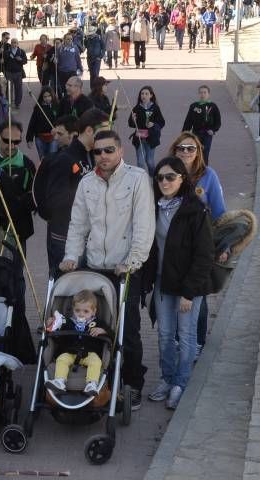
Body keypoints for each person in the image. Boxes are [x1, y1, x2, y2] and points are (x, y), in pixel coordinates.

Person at [60, 130, 155, 409]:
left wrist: (133, 262)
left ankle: (132, 382)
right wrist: (71, 257)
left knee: (128, 329)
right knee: (95, 327)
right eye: (98, 151)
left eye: (109, 150)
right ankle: (99, 377)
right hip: (93, 267)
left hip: (124, 268)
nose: (103, 156)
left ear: (121, 150)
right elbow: (78, 225)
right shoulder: (87, 183)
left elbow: (143, 225)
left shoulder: (137, 179)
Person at [144, 156, 214, 410]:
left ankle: (180, 384)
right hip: (164, 282)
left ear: (182, 179)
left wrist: (189, 292)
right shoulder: (153, 206)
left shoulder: (195, 210)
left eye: (170, 177)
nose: (164, 181)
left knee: (185, 336)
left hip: (188, 286)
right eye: (160, 177)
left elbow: (204, 255)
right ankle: (167, 378)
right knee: (164, 335)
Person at [168, 132, 227, 355]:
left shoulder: (208, 176)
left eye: (190, 148)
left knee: (197, 299)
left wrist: (224, 246)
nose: (185, 152)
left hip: (200, 247)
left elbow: (220, 213)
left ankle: (197, 343)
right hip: (171, 247)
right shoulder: (167, 173)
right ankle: (175, 340)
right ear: (174, 150)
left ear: (199, 151)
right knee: (172, 297)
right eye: (181, 147)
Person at [37, 109, 109, 272]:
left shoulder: (90, 157)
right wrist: (88, 196)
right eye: (104, 132)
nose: (107, 137)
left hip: (85, 236)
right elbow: (54, 201)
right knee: (65, 289)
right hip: (64, 237)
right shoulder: (65, 159)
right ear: (89, 130)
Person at [44, 289, 112, 396]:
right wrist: (52, 325)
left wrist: (103, 331)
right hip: (70, 352)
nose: (81, 314)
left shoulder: (97, 323)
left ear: (93, 311)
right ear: (73, 310)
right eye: (77, 310)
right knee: (61, 359)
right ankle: (60, 381)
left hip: (89, 353)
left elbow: (111, 334)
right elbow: (58, 337)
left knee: (96, 362)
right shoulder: (67, 322)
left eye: (86, 311)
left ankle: (92, 384)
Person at [0, 122, 37, 245]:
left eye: (16, 142)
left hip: (16, 229)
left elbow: (32, 199)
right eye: (7, 140)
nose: (11, 146)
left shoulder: (26, 165)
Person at [128, 86, 166, 174]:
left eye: (146, 94)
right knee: (140, 162)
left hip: (151, 138)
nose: (144, 96)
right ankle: (142, 181)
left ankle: (153, 178)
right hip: (139, 138)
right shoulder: (136, 108)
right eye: (142, 94)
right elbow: (131, 124)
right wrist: (132, 119)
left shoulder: (155, 108)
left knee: (150, 162)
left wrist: (153, 124)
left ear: (151, 95)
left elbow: (162, 122)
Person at [182, 85, 221, 164]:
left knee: (205, 153)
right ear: (198, 94)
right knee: (195, 152)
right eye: (200, 93)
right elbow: (188, 120)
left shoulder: (213, 106)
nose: (202, 94)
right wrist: (184, 133)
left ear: (208, 94)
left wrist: (213, 130)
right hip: (196, 133)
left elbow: (218, 121)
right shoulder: (194, 106)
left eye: (204, 92)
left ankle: (204, 170)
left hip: (207, 134)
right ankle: (195, 170)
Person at [26, 86, 60, 159]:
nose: (47, 98)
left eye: (49, 96)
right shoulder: (38, 108)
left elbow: (61, 121)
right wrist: (29, 139)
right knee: (42, 159)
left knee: (52, 158)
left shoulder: (57, 106)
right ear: (42, 97)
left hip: (53, 137)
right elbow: (32, 123)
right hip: (40, 138)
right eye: (45, 97)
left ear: (53, 96)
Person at [55, 34, 84, 98]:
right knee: (64, 87)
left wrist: (80, 68)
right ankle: (66, 101)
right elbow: (57, 58)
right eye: (68, 39)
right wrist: (55, 60)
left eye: (71, 39)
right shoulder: (60, 48)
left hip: (72, 71)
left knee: (73, 86)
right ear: (64, 40)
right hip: (62, 71)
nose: (70, 40)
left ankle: (73, 99)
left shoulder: (75, 47)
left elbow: (78, 59)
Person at [4, 38, 28, 110]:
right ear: (11, 44)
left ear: (17, 44)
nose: (14, 44)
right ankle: (9, 103)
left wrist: (21, 60)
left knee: (18, 89)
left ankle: (17, 103)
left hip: (18, 73)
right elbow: (4, 62)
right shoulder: (7, 52)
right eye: (12, 42)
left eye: (15, 42)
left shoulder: (21, 52)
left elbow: (25, 61)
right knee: (9, 89)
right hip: (9, 73)